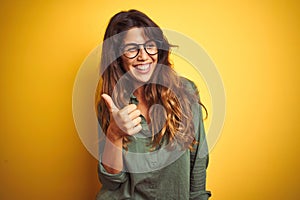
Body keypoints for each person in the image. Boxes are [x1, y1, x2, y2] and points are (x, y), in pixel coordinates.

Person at [95, 9, 211, 200]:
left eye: (150, 46)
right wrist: (114, 134)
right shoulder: (110, 104)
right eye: (132, 49)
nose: (143, 56)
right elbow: (112, 180)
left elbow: (197, 162)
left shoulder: (185, 91)